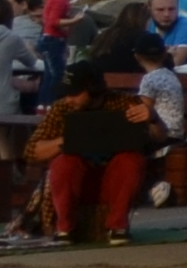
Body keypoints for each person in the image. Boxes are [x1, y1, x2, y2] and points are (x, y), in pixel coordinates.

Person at [25, 30, 168, 245]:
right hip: (78, 179)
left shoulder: (124, 103)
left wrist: (153, 118)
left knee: (132, 159)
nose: (69, 99)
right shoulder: (62, 108)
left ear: (92, 89)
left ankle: (117, 226)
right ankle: (65, 229)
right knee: (64, 162)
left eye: (74, 93)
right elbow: (31, 151)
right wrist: (66, 140)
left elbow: (159, 137)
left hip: (115, 179)